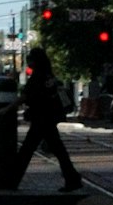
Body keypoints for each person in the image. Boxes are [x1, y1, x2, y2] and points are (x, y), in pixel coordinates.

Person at [15, 47, 79, 190]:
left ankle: (13, 180)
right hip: (48, 118)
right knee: (57, 149)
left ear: (35, 61)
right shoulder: (49, 76)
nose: (29, 62)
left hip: (41, 118)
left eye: (30, 59)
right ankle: (72, 178)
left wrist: (8, 108)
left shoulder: (38, 77)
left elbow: (26, 96)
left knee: (27, 149)